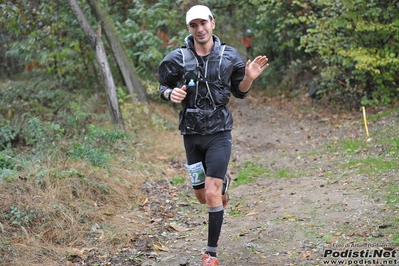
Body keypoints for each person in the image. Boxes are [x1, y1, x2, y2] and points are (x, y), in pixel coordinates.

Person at [157, 5, 269, 266]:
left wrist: (249, 78)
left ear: (212, 23)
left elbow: (240, 91)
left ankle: (211, 254)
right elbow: (162, 85)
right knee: (200, 196)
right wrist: (169, 94)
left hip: (219, 131)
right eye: (194, 25)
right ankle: (223, 185)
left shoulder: (230, 56)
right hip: (191, 133)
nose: (200, 29)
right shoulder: (177, 58)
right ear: (189, 28)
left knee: (211, 193)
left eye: (203, 23)